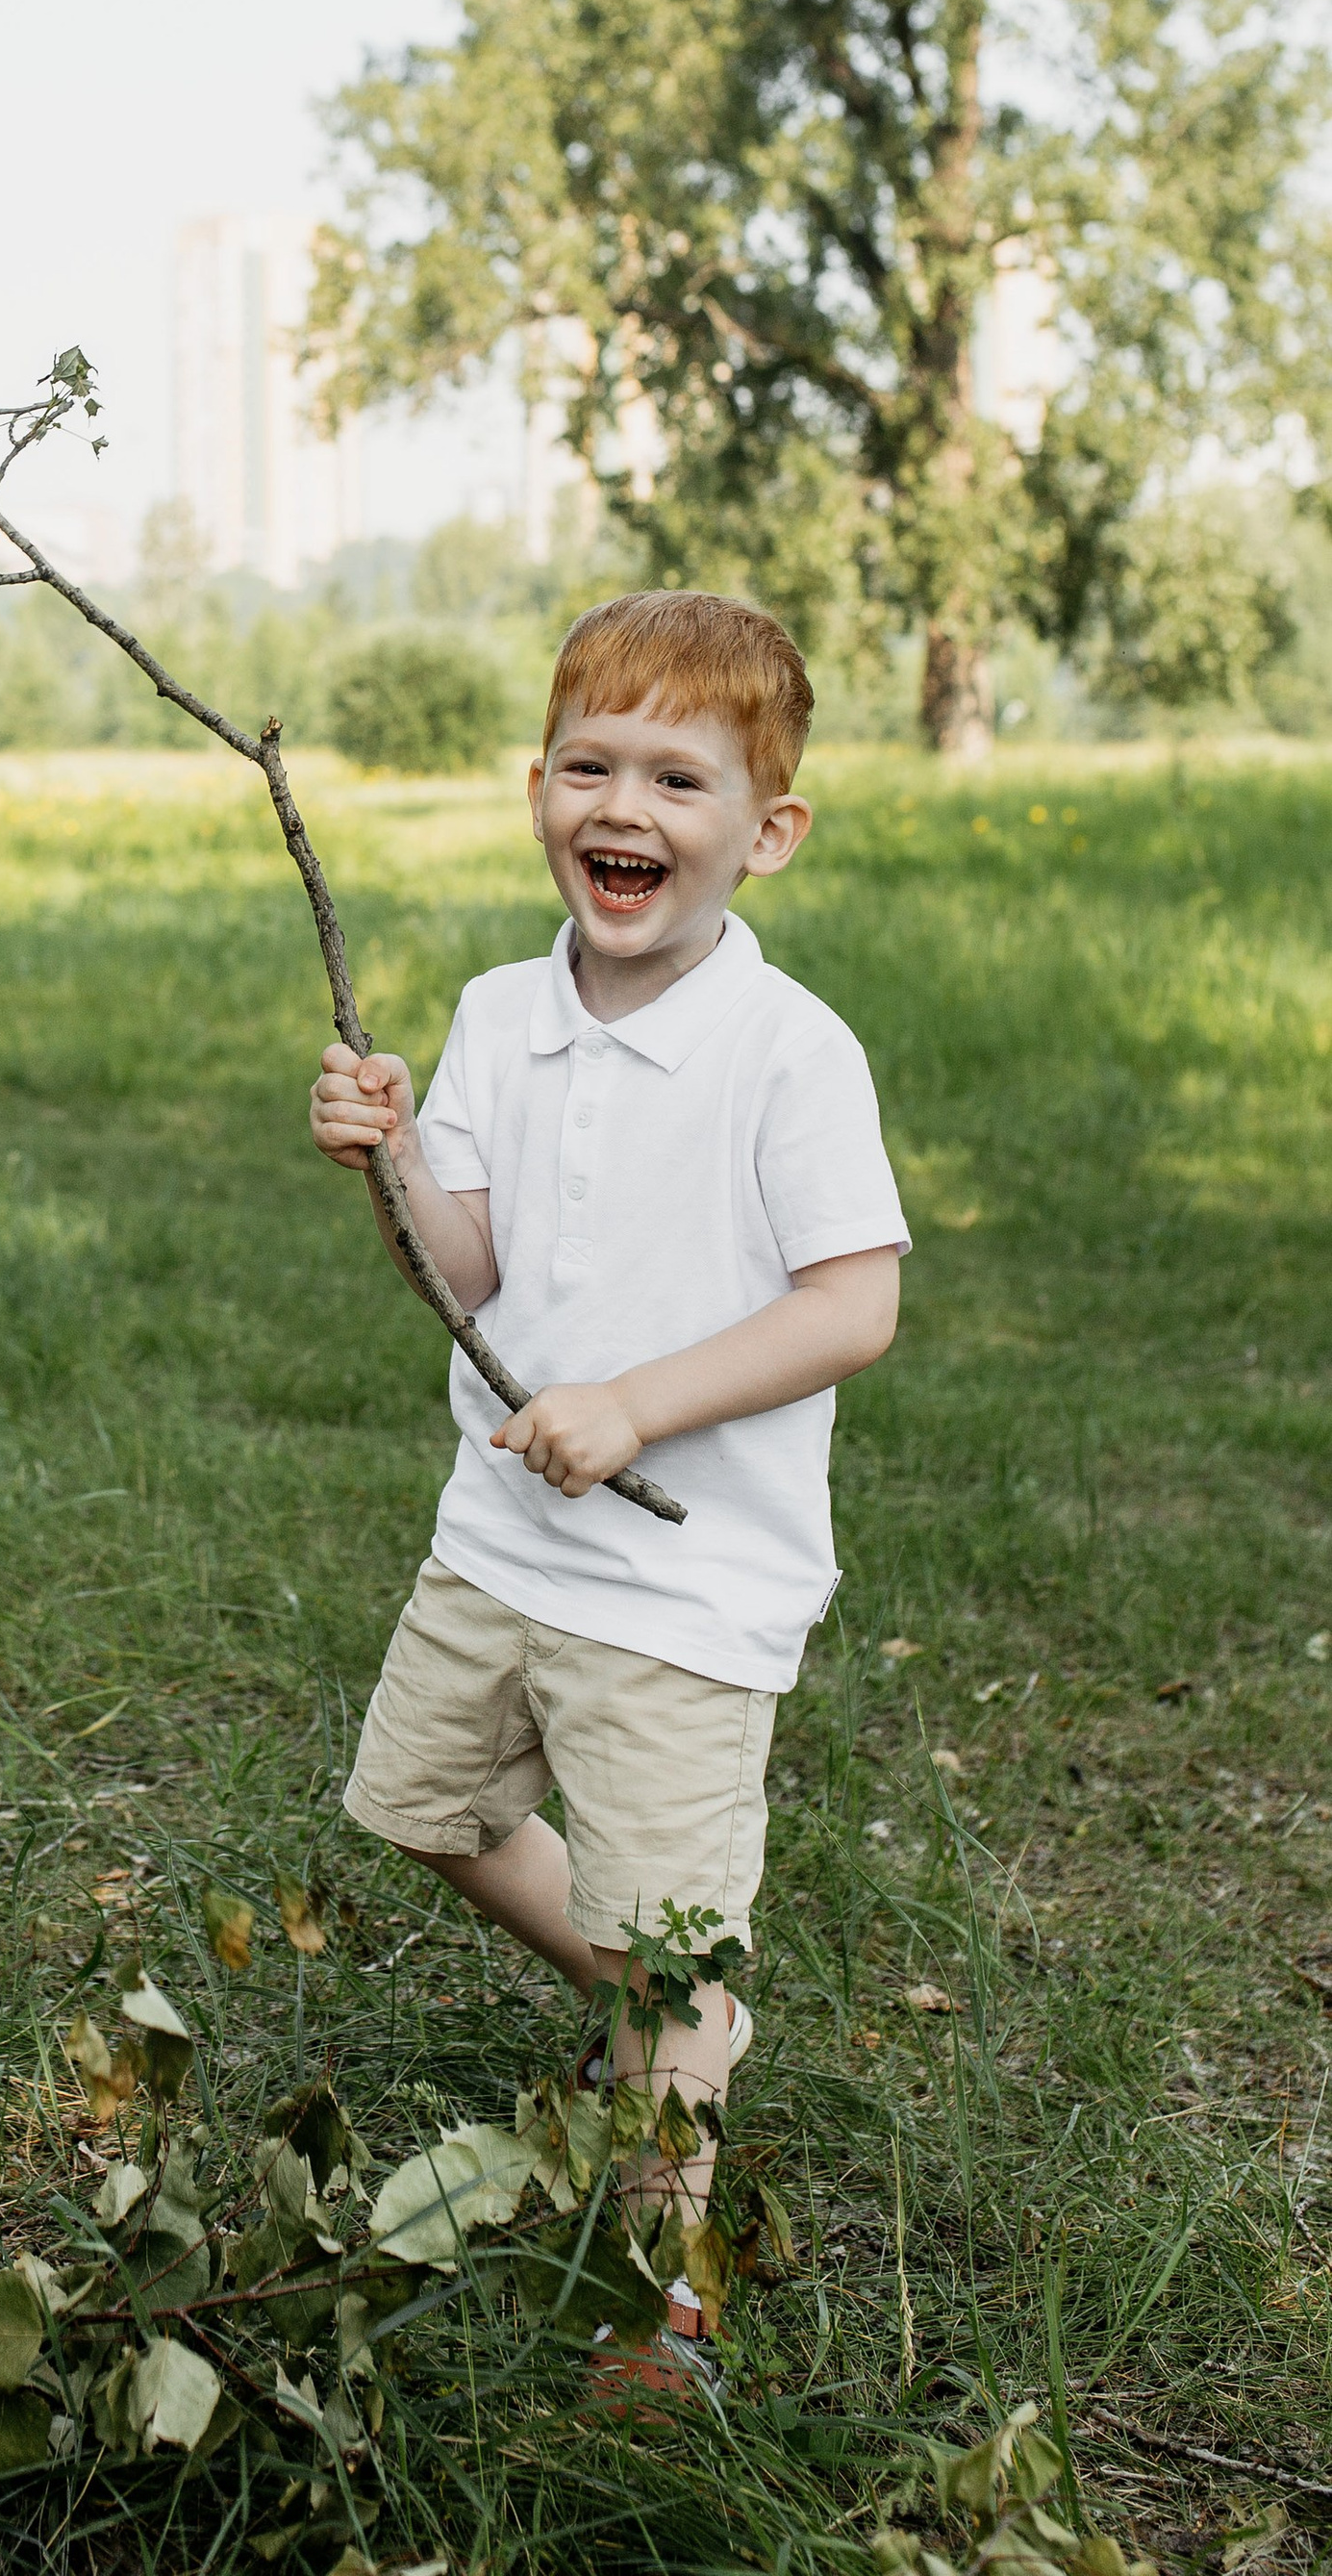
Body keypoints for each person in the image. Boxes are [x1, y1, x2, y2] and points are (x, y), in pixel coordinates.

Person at [309, 589, 908, 2379]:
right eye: (590, 766)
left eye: (679, 777)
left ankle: (663, 2304)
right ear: (537, 789)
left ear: (766, 831)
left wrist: (638, 1403)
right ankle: (668, 2010)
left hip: (680, 1588)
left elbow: (855, 1302)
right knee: (418, 1802)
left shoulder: (788, 1053)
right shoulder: (503, 1008)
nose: (623, 808)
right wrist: (398, 1147)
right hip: (499, 1538)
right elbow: (472, 1271)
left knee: (662, 1975)